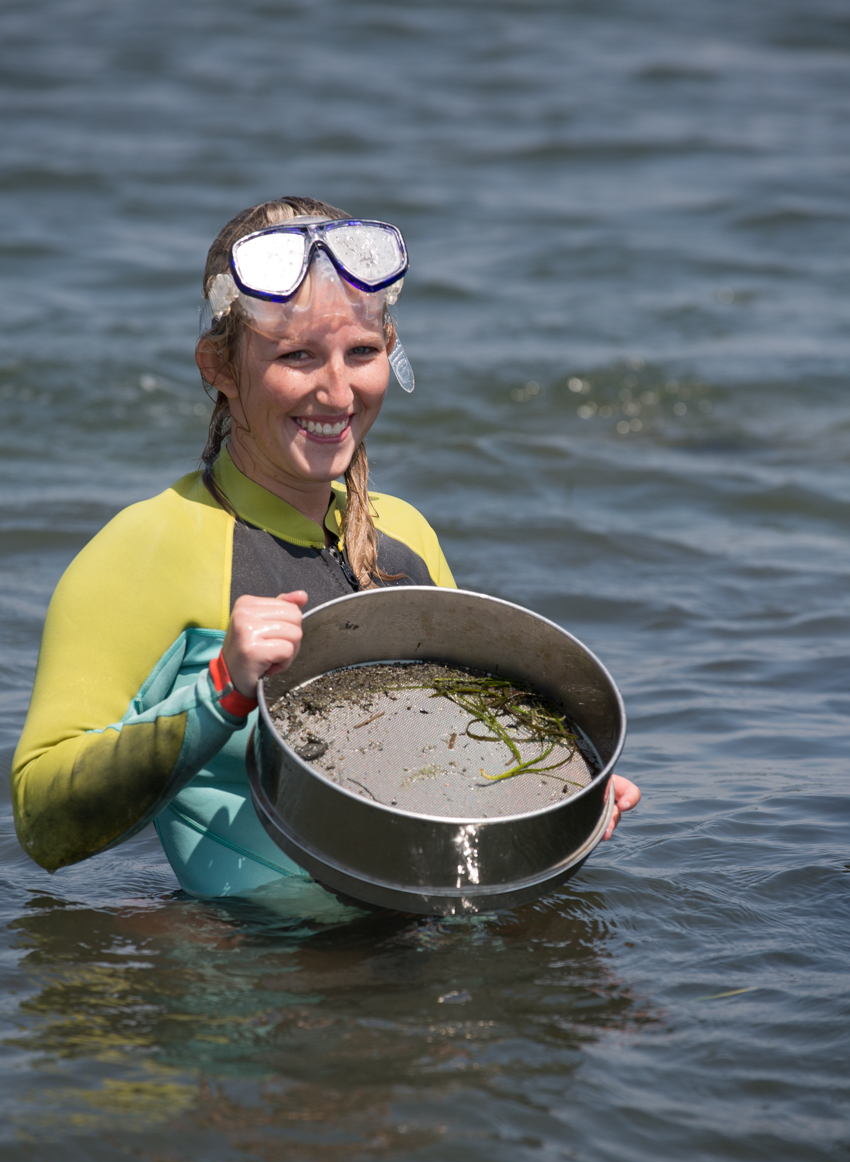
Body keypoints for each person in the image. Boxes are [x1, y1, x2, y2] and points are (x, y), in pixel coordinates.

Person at [12, 195, 640, 905]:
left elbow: (446, 762)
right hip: (263, 972)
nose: (337, 391)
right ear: (219, 365)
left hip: (427, 949)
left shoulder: (407, 536)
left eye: (362, 353)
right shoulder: (145, 550)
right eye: (297, 356)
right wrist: (220, 689)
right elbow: (42, 821)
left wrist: (560, 796)